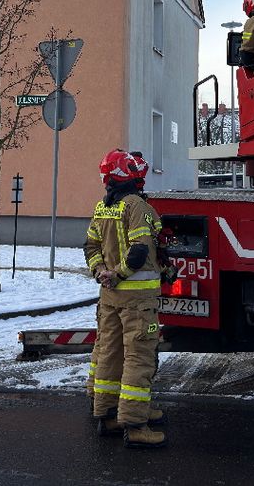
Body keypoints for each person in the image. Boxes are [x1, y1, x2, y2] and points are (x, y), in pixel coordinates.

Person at [84, 149, 168, 449]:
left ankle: (107, 415)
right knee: (138, 358)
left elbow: (90, 245)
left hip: (109, 297)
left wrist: (101, 273)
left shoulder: (102, 207)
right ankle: (135, 425)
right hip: (137, 299)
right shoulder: (137, 207)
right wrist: (118, 274)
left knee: (108, 353)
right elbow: (140, 252)